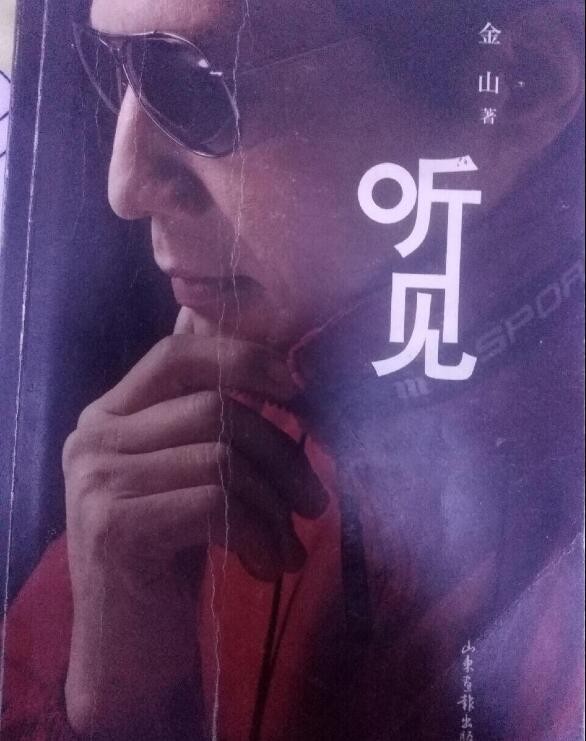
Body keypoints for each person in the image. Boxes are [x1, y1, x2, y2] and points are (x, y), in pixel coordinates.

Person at [1, 0, 584, 739]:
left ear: (516, 82)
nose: (126, 186)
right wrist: (115, 701)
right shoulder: (205, 415)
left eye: (192, 83)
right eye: (112, 70)